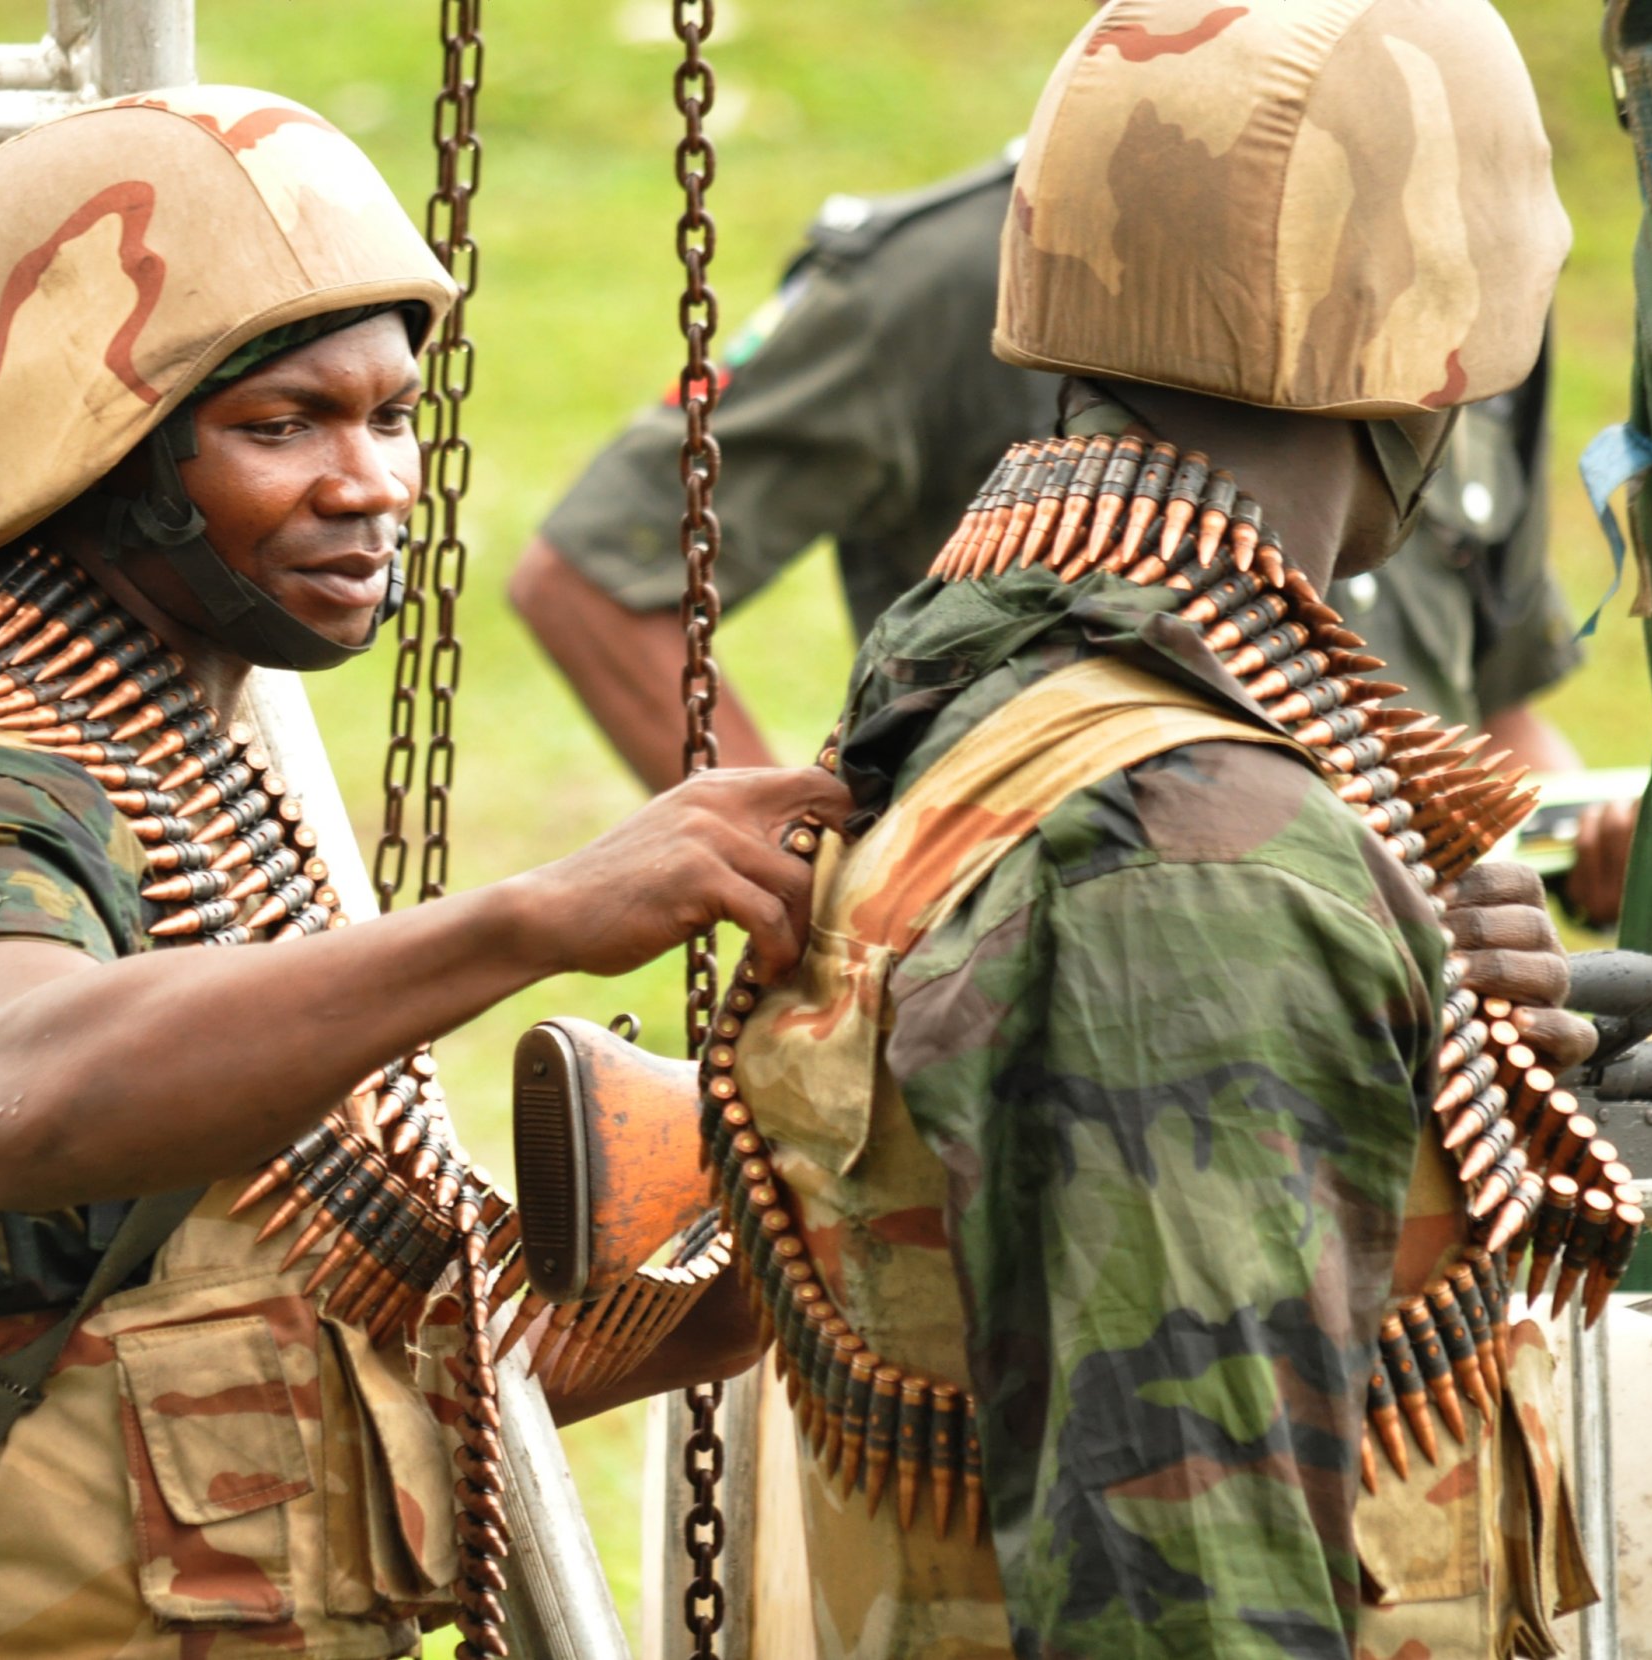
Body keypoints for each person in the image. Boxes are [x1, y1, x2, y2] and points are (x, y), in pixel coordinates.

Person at [0, 88, 829, 1659]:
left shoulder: (201, 770)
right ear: (105, 454)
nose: (374, 484)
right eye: (285, 427)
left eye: (392, 416)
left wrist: (764, 1279)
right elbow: (10, 1099)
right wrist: (538, 917)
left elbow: (363, 1355)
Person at [683, 6, 1602, 1655]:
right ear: (1444, 325)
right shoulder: (1190, 856)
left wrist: (1399, 952)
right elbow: (1191, 1597)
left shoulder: (1013, 687)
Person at [509, 85, 1630, 923]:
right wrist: (812, 885)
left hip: (1392, 1007)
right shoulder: (967, 271)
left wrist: (1585, 827)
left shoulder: (1450, 288)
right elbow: (600, 578)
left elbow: (1486, 709)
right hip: (1064, 993)